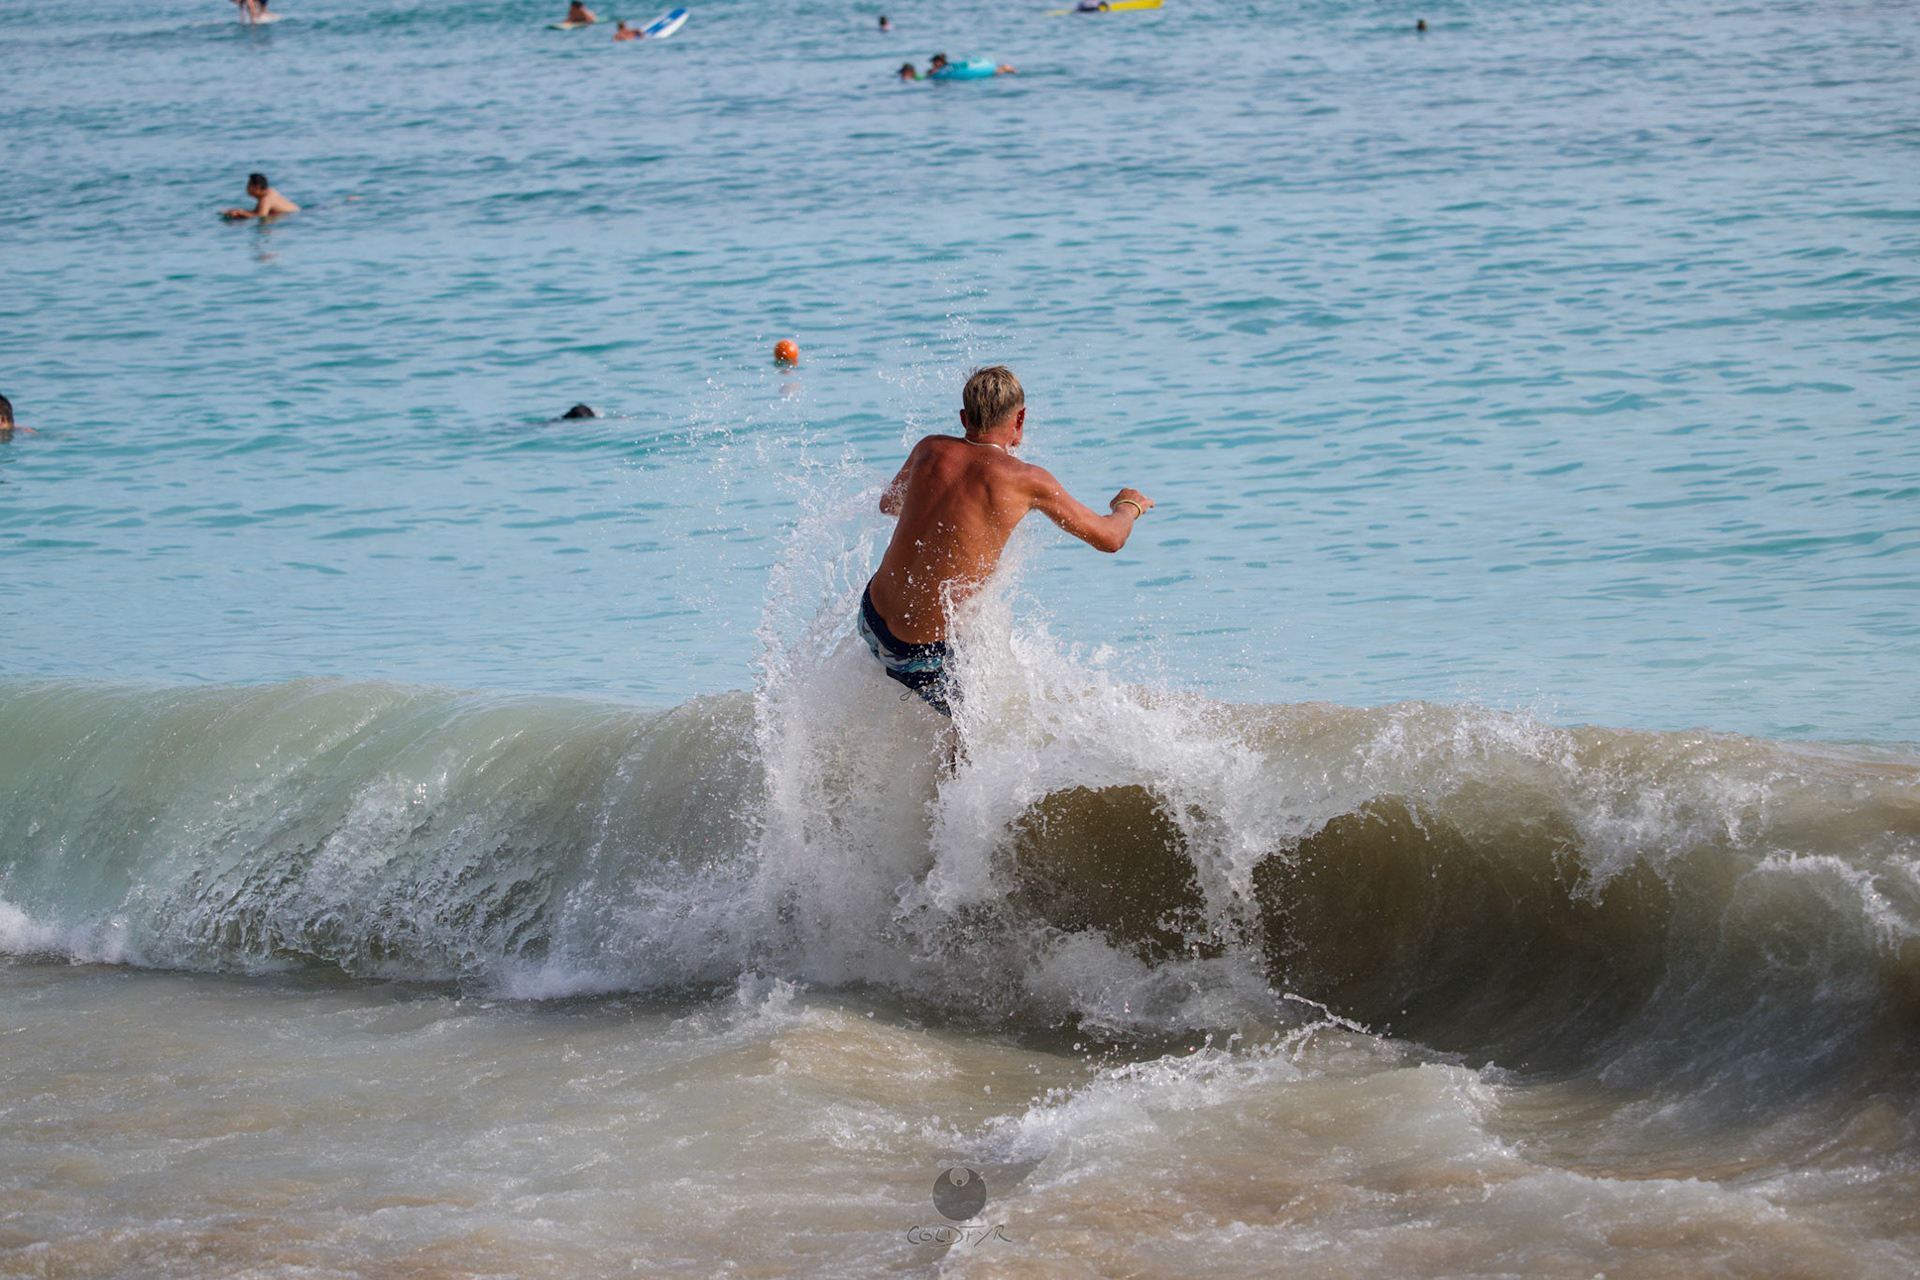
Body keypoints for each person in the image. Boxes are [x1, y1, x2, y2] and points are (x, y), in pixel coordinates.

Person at [861, 366, 1152, 717]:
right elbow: (1110, 538)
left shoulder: (930, 449)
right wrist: (1129, 506)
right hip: (921, 653)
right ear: (1020, 419)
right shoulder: (1026, 480)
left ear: (964, 417)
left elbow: (889, 504)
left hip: (871, 618)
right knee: (982, 728)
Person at [221, 173, 299, 221]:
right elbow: (256, 212)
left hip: (294, 216)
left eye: (249, 185)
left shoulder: (266, 199)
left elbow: (261, 216)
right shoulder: (269, 192)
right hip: (296, 213)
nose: (247, 188)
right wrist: (237, 211)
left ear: (257, 187)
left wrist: (240, 212)